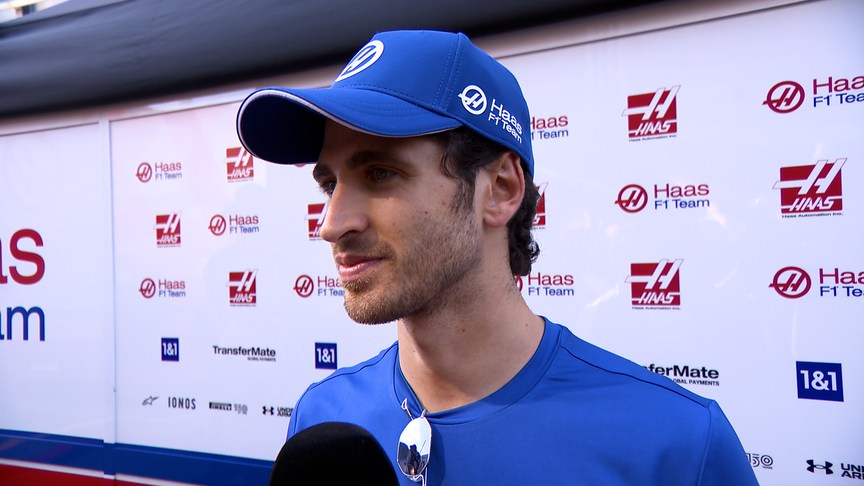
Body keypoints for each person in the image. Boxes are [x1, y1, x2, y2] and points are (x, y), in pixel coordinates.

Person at [237, 30, 758, 485]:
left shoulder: (676, 443)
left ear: (501, 189)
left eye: (380, 173)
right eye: (329, 183)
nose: (332, 223)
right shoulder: (323, 417)